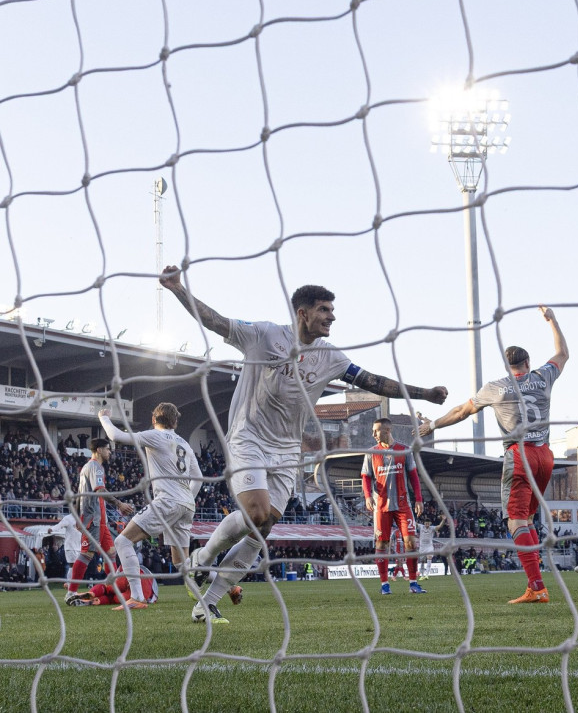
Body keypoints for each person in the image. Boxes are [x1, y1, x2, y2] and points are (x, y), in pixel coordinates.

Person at [159, 265, 447, 624]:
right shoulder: (264, 335)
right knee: (257, 514)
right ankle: (201, 560)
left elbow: (373, 380)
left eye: (331, 310)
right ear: (303, 312)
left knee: (262, 529)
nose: (332, 317)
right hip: (248, 437)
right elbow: (216, 321)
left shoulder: (330, 356)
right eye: (325, 310)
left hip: (286, 451)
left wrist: (422, 393)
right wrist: (177, 289)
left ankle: (208, 602)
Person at [419, 306, 568, 604]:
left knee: (515, 522)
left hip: (519, 454)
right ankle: (536, 584)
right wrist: (552, 320)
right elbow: (563, 353)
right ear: (527, 362)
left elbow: (462, 411)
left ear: (507, 366)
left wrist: (431, 425)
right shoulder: (544, 376)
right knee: (525, 518)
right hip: (545, 455)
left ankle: (537, 587)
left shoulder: (496, 388)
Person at [97, 403, 205, 610]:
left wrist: (104, 417)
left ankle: (137, 597)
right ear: (175, 421)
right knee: (181, 563)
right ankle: (228, 586)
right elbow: (198, 478)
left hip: (167, 501)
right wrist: (186, 498)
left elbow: (116, 436)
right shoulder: (185, 444)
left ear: (154, 419)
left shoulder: (155, 435)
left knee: (123, 541)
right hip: (186, 505)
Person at [65, 438, 135, 604]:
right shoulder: (95, 467)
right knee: (87, 554)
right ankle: (71, 592)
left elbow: (79, 494)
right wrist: (119, 504)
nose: (110, 452)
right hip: (93, 518)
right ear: (98, 450)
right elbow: (100, 490)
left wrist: (76, 515)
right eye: (107, 449)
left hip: (100, 520)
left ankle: (111, 587)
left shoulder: (89, 468)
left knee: (111, 552)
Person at [362, 417, 425, 594]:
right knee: (382, 544)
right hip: (381, 506)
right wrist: (367, 496)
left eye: (376, 431)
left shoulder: (404, 450)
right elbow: (366, 477)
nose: (373, 434)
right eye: (373, 431)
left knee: (410, 542)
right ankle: (384, 585)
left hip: (403, 504)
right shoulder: (371, 452)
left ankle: (413, 583)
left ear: (387, 431)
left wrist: (418, 499)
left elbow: (413, 476)